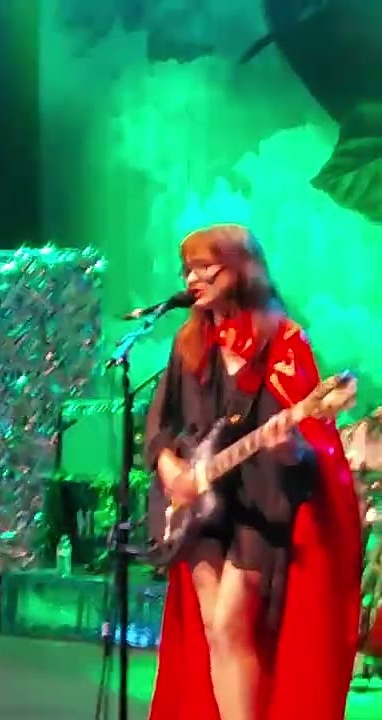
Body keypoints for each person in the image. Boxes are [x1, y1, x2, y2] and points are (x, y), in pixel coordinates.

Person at [144, 224, 360, 720]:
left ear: (241, 269)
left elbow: (311, 449)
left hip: (260, 502)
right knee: (213, 629)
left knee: (231, 625)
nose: (192, 279)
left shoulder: (284, 341)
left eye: (205, 267)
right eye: (187, 269)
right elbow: (159, 423)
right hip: (199, 506)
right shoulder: (189, 342)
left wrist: (288, 449)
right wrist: (170, 467)